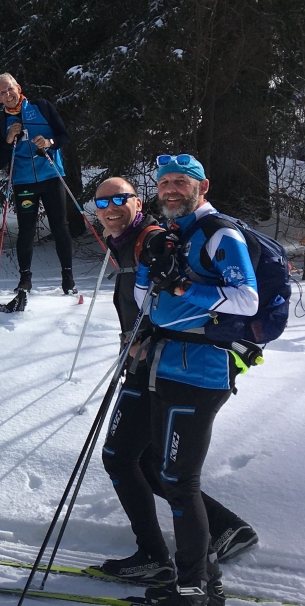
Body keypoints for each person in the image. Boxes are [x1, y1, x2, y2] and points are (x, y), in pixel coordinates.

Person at [93, 177, 258, 587]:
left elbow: (171, 301)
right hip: (148, 361)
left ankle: (183, 568)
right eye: (101, 203)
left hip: (166, 364)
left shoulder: (148, 237)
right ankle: (214, 535)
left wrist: (147, 338)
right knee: (143, 462)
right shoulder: (128, 241)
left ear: (137, 201)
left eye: (120, 199)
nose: (111, 209)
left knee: (147, 465)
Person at [134, 156, 261, 605]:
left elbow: (246, 299)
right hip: (168, 363)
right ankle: (204, 584)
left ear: (201, 185)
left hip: (202, 370)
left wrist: (185, 288)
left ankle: (192, 591)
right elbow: (146, 299)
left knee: (178, 478)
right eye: (164, 182)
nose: (170, 189)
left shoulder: (219, 233)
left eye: (180, 182)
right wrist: (153, 270)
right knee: (163, 470)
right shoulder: (177, 232)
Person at [0, 73, 75, 294]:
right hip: (23, 182)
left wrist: (49, 142)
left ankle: (68, 277)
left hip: (51, 176)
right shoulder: (1, 123)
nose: (7, 95)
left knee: (60, 227)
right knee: (26, 231)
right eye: (1, 92)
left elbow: (64, 136)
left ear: (18, 87)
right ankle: (25, 279)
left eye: (9, 89)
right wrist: (9, 139)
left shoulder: (42, 107)